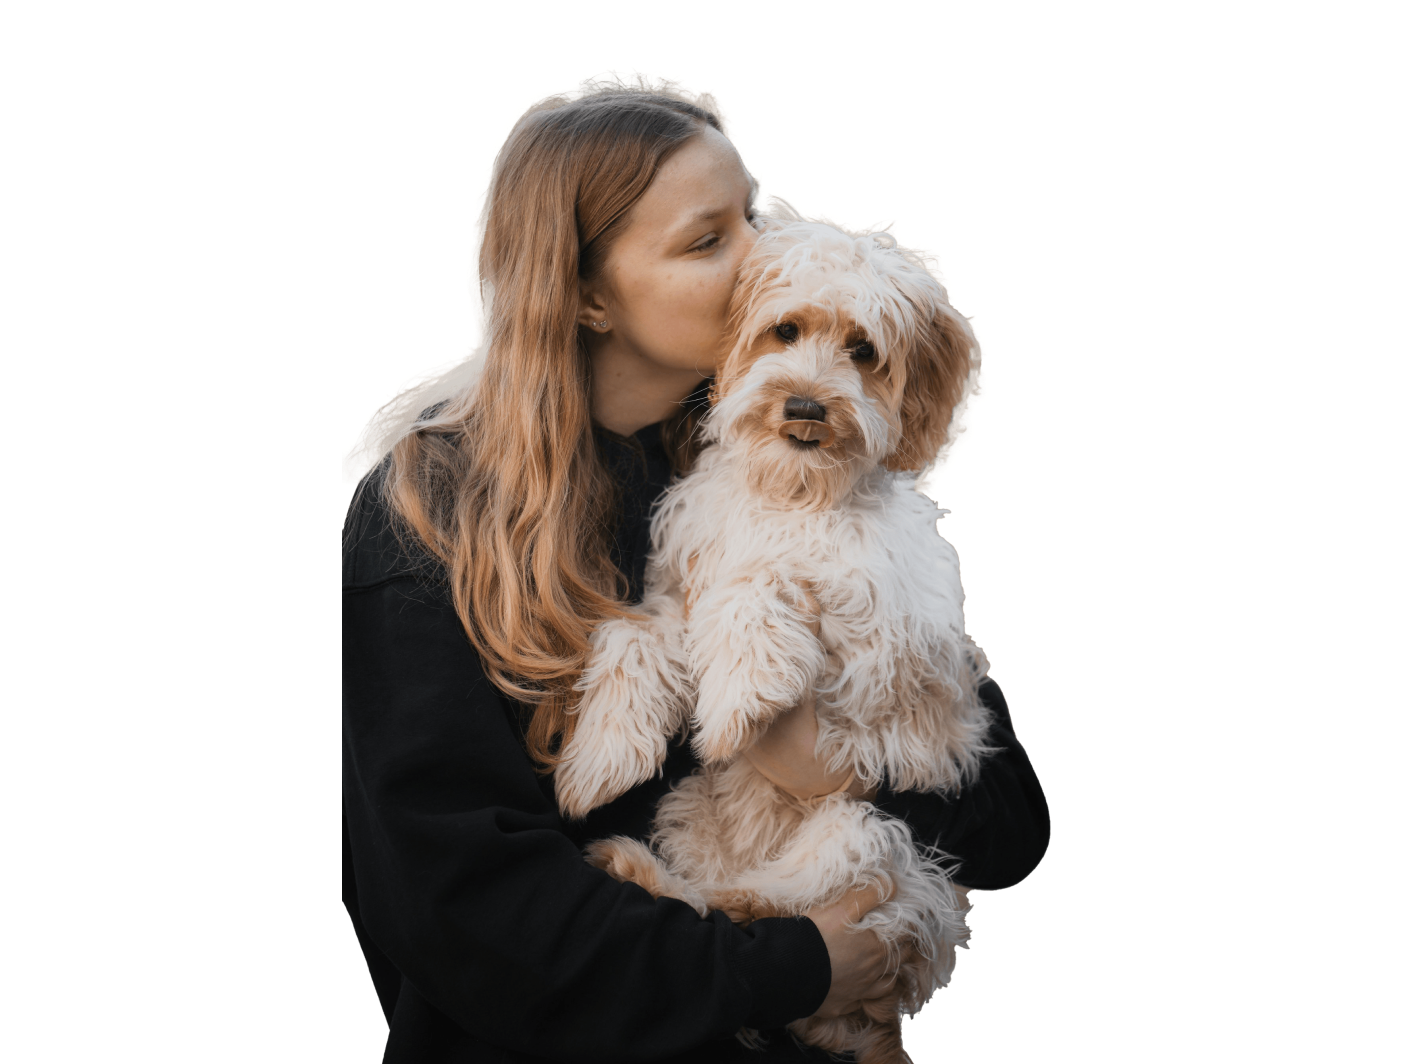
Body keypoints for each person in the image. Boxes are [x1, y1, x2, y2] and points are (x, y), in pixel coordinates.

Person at [342, 76, 1050, 1063]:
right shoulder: (429, 515)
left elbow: (1009, 824)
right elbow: (461, 909)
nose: (760, 252)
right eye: (707, 240)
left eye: (751, 212)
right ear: (588, 294)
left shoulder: (787, 465)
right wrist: (792, 964)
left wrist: (839, 764)